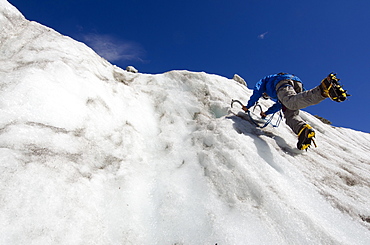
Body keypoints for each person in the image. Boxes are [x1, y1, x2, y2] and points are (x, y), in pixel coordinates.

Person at [242, 72, 348, 150]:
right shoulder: (279, 96)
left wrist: (248, 106)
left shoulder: (265, 82)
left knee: (290, 102)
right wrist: (266, 113)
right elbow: (279, 105)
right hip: (295, 83)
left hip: (282, 82)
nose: (266, 96)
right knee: (290, 114)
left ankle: (322, 89)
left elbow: (256, 92)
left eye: (265, 95)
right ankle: (303, 130)